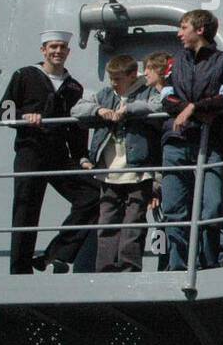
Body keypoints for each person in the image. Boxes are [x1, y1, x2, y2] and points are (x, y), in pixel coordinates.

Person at [1, 30, 100, 274]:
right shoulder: (24, 76)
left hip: (59, 156)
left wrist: (82, 158)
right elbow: (3, 111)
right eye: (53, 47)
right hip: (31, 152)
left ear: (68, 52)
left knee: (91, 194)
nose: (57, 51)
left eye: (62, 47)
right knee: (26, 211)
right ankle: (19, 272)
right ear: (43, 50)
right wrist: (23, 117)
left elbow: (76, 130)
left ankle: (57, 253)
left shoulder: (73, 87)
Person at [71, 54, 165, 272]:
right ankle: (105, 267)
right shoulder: (105, 95)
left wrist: (129, 110)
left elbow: (159, 105)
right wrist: (99, 110)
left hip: (138, 171)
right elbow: (76, 109)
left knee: (133, 222)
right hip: (110, 172)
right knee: (107, 222)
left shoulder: (148, 91)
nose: (113, 83)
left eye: (118, 78)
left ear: (133, 75)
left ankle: (129, 266)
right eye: (111, 78)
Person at [160, 10, 223, 271]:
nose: (179, 33)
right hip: (176, 142)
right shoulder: (175, 62)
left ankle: (208, 262)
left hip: (210, 143)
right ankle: (178, 265)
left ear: (200, 30)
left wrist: (192, 109)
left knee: (211, 207)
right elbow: (165, 97)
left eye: (183, 27)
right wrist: (191, 109)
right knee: (174, 210)